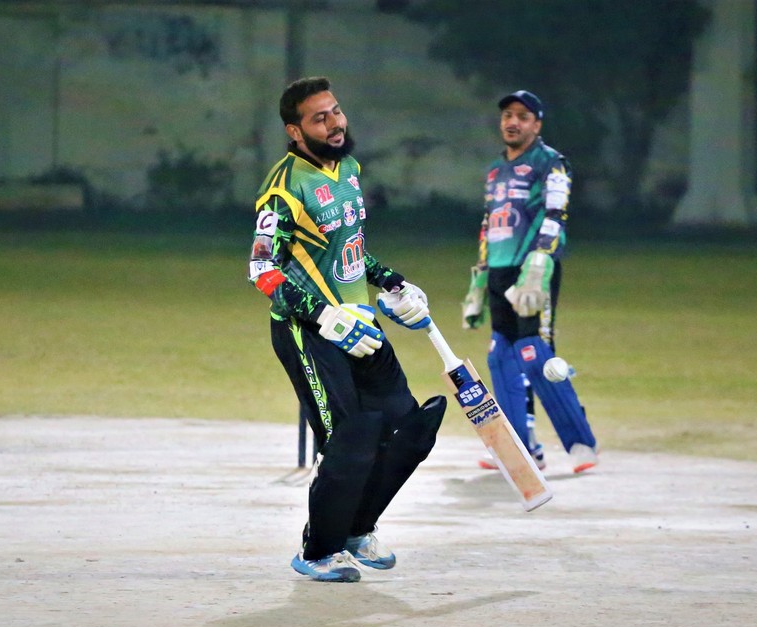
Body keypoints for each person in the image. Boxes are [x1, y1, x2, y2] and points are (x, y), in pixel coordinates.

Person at [247, 76, 447, 583]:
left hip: (360, 323)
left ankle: (357, 529)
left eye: (335, 111)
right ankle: (319, 551)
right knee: (350, 439)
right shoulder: (283, 187)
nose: (335, 123)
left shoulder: (349, 169)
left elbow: (349, 249)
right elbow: (262, 269)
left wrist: (394, 282)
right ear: (295, 131)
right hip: (309, 331)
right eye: (319, 118)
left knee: (407, 428)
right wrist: (323, 315)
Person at [460, 89, 597, 472]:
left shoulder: (551, 162)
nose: (513, 122)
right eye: (507, 114)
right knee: (500, 355)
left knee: (534, 354)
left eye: (522, 116)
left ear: (537, 124)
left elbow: (556, 214)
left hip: (534, 269)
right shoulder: (494, 170)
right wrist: (478, 282)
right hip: (499, 269)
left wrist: (539, 263)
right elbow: (488, 224)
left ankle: (581, 444)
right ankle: (519, 447)